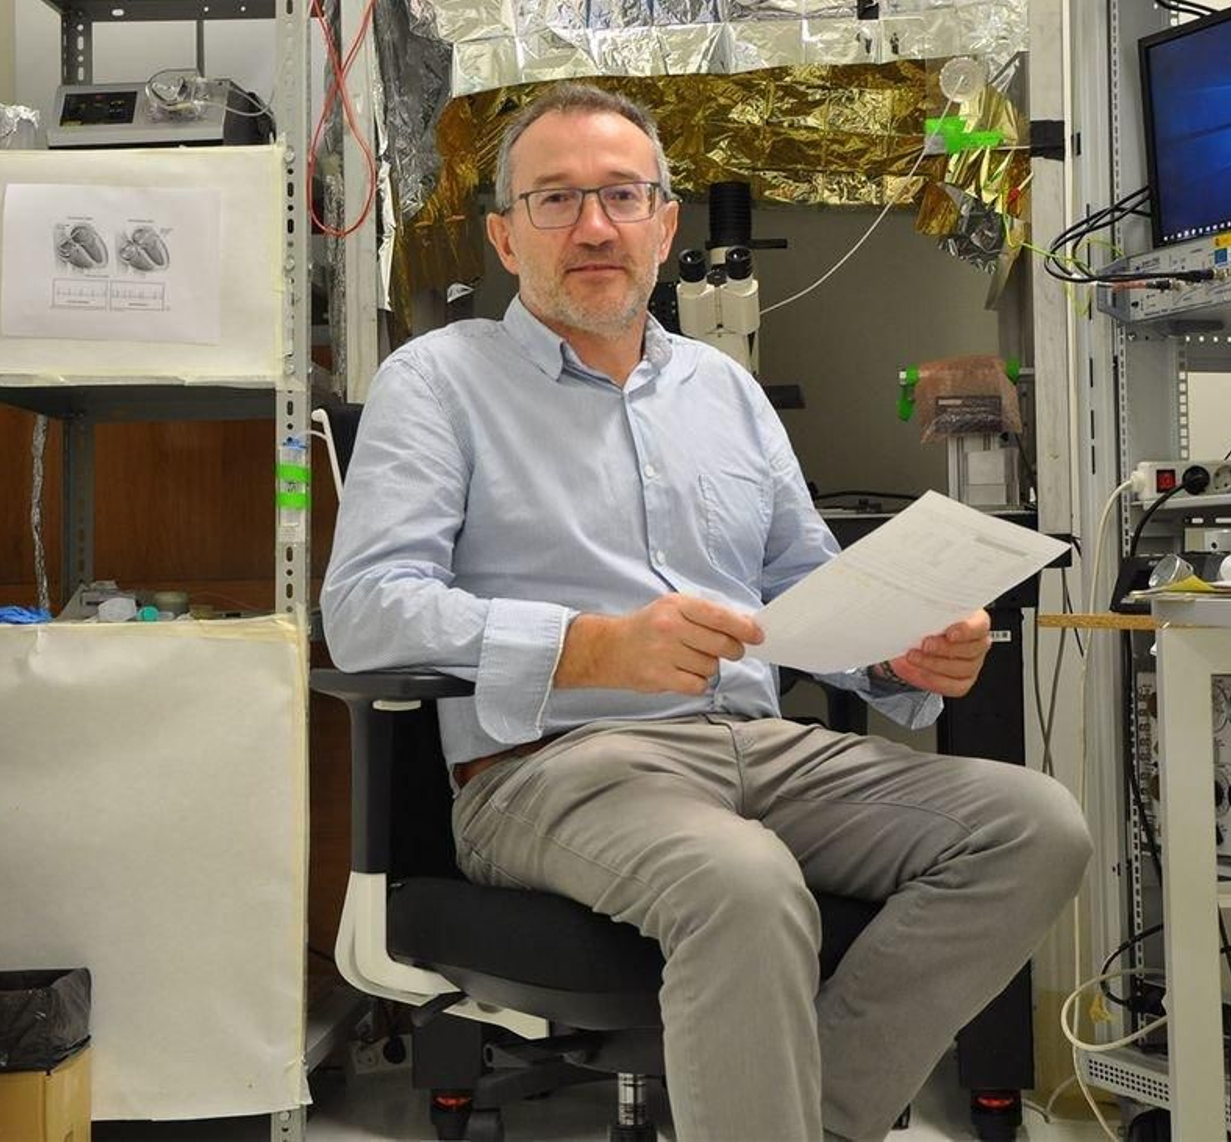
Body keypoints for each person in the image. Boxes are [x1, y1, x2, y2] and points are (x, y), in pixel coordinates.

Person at [322, 82, 1091, 1142]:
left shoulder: (723, 393)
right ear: (505, 236)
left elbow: (802, 586)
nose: (593, 225)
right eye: (554, 200)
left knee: (1035, 824)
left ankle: (806, 1121)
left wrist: (897, 653)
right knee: (744, 880)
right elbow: (364, 612)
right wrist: (592, 645)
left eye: (621, 195)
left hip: (762, 745)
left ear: (664, 223)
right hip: (552, 767)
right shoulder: (438, 382)